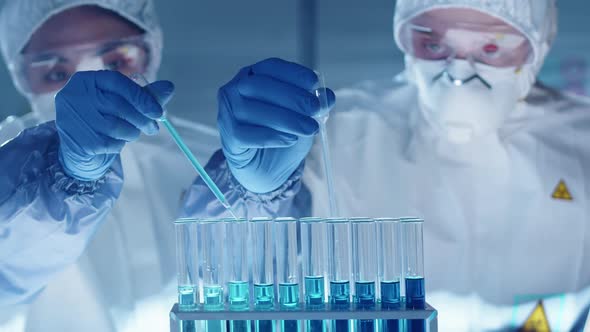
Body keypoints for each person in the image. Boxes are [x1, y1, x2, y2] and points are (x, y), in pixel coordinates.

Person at [181, 0, 590, 330]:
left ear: (538, 45)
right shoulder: (336, 127)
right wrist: (249, 189)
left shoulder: (581, 139)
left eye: (491, 48)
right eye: (432, 44)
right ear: (404, 36)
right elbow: (218, 274)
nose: (459, 71)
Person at [0, 1, 219, 331]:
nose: (88, 84)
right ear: (21, 75)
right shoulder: (6, 165)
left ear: (152, 51)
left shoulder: (214, 158)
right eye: (57, 73)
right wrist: (61, 178)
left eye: (117, 61)